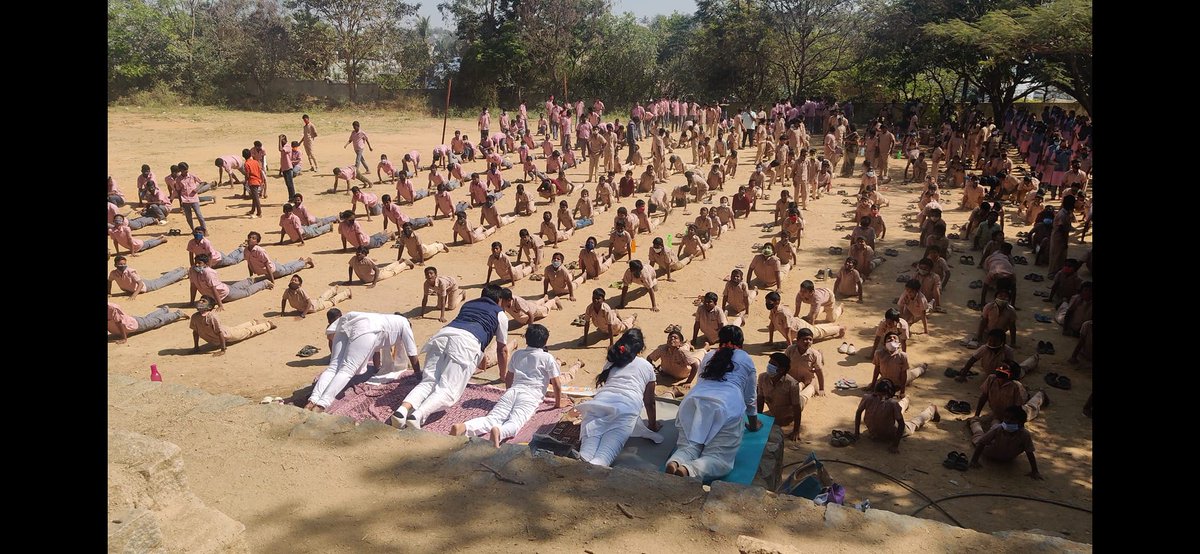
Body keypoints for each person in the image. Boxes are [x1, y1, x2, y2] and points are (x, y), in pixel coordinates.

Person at [393, 285, 510, 429]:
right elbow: (502, 349)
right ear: (499, 299)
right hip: (465, 345)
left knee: (428, 381)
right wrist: (503, 375)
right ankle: (417, 416)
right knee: (448, 390)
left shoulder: (468, 304)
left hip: (442, 336)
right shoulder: (500, 314)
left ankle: (402, 410)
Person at [450, 323, 568, 447]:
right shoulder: (548, 358)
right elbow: (556, 383)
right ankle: (500, 432)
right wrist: (558, 403)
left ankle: (464, 427)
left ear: (526, 339)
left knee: (492, 418)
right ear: (545, 342)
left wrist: (509, 392)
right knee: (515, 423)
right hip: (531, 396)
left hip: (513, 391)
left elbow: (509, 377)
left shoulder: (517, 354)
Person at [665, 325, 759, 479]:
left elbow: (701, 381)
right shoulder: (745, 358)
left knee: (689, 446)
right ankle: (690, 469)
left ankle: (676, 461)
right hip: (726, 406)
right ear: (740, 343)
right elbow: (750, 398)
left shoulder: (709, 355)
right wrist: (754, 424)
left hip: (693, 402)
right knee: (718, 458)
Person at [576, 329, 662, 467]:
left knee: (585, 454)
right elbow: (649, 402)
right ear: (641, 347)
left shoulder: (612, 362)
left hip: (598, 405)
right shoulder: (647, 366)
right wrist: (652, 425)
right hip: (625, 410)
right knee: (602, 459)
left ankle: (579, 470)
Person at [309, 311, 420, 411]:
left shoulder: (386, 321)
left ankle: (311, 401)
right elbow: (412, 353)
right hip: (365, 329)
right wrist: (418, 375)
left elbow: (376, 349)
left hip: (347, 322)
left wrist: (377, 369)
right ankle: (321, 405)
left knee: (334, 367)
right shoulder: (405, 324)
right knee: (348, 369)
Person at [852, 378, 940, 454]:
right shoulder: (872, 399)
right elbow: (858, 412)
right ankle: (906, 399)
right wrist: (856, 433)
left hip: (891, 431)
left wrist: (895, 444)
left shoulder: (880, 401)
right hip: (881, 428)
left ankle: (931, 410)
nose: (879, 397)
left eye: (881, 395)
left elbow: (901, 425)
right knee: (898, 408)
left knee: (914, 423)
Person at [967, 406, 1044, 480]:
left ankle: (995, 419)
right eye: (1006, 418)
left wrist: (1035, 471)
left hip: (1007, 456)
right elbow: (982, 443)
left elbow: (1029, 452)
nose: (1008, 421)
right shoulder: (999, 429)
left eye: (1012, 419)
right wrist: (974, 461)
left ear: (1021, 424)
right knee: (978, 434)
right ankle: (974, 422)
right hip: (989, 451)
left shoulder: (1025, 435)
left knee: (995, 427)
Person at [189, 295, 277, 355]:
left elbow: (220, 332)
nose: (200, 302)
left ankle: (267, 325)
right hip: (225, 330)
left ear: (209, 307)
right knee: (236, 328)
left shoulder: (212, 317)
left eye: (203, 301)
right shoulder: (195, 317)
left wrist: (223, 349)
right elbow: (195, 332)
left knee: (247, 332)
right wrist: (196, 347)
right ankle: (253, 322)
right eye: (200, 300)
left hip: (228, 335)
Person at [188, 254, 274, 309]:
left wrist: (220, 305)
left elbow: (214, 289)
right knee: (235, 287)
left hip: (225, 294)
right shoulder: (192, 270)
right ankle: (250, 281)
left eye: (200, 263)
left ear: (206, 264)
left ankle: (264, 283)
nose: (196, 265)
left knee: (246, 292)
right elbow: (193, 286)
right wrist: (191, 302)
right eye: (196, 262)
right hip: (222, 289)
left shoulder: (208, 272)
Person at [973, 362, 1049, 422]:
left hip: (1017, 412)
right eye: (999, 372)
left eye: (1003, 374)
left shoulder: (1015, 386)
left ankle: (1041, 395)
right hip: (998, 412)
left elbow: (1018, 408)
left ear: (1011, 375)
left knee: (1032, 407)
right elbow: (984, 396)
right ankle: (1028, 391)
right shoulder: (991, 379)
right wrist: (977, 415)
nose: (1000, 377)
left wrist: (1011, 421)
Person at [956, 329, 1039, 382]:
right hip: (991, 374)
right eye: (990, 341)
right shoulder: (984, 348)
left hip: (1004, 375)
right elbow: (972, 360)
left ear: (1002, 342)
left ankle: (1034, 359)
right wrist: (963, 376)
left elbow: (1012, 367)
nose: (992, 343)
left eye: (995, 341)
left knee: (1023, 368)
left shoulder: (1007, 350)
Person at [757, 352, 804, 441]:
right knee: (799, 387)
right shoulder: (762, 377)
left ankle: (811, 386)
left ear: (782, 369)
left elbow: (796, 407)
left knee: (805, 395)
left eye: (773, 364)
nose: (769, 366)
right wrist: (758, 418)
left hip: (795, 404)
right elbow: (760, 398)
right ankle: (803, 384)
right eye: (769, 363)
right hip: (776, 407)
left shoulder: (792, 384)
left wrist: (796, 430)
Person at [868, 331, 929, 397]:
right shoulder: (879, 353)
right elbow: (877, 368)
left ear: (899, 344)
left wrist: (902, 391)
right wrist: (873, 384)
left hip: (900, 381)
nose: (892, 339)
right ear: (884, 343)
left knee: (915, 373)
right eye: (889, 338)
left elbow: (904, 373)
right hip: (885, 380)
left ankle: (923, 367)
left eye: (895, 338)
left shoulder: (902, 355)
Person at [244, 231, 313, 284]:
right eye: (249, 237)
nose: (250, 239)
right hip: (272, 266)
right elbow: (249, 263)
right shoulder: (246, 250)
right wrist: (251, 276)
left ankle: (305, 261)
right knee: (284, 267)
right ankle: (299, 261)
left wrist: (272, 281)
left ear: (257, 242)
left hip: (274, 271)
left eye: (253, 238)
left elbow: (267, 265)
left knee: (289, 270)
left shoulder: (260, 251)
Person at [108, 256, 187, 300]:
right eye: (120, 264)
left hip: (147, 286)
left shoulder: (130, 271)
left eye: (124, 264)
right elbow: (109, 281)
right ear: (115, 265)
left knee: (167, 280)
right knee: (162, 279)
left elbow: (140, 284)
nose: (122, 266)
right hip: (136, 286)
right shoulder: (113, 273)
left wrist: (134, 296)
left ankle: (185, 271)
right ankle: (179, 269)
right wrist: (109, 292)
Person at [108, 302, 187, 343]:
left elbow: (119, 323)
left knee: (156, 321)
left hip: (133, 325)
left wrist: (124, 338)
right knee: (147, 319)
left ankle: (177, 314)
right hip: (129, 323)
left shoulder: (111, 308)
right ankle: (164, 310)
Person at [279, 275, 351, 318]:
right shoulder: (287, 291)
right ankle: (333, 290)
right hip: (311, 304)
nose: (293, 281)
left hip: (314, 307)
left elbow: (309, 303)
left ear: (299, 285)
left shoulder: (300, 290)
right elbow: (284, 300)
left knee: (331, 302)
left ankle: (346, 293)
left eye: (295, 280)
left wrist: (303, 314)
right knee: (322, 298)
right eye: (292, 279)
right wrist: (282, 311)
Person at [346, 246, 415, 287]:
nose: (358, 254)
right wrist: (350, 280)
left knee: (392, 272)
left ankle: (405, 263)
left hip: (377, 276)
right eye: (357, 252)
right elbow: (350, 267)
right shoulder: (353, 259)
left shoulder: (367, 260)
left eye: (360, 253)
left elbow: (377, 270)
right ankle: (399, 261)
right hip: (367, 279)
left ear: (365, 254)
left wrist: (374, 283)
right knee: (386, 268)